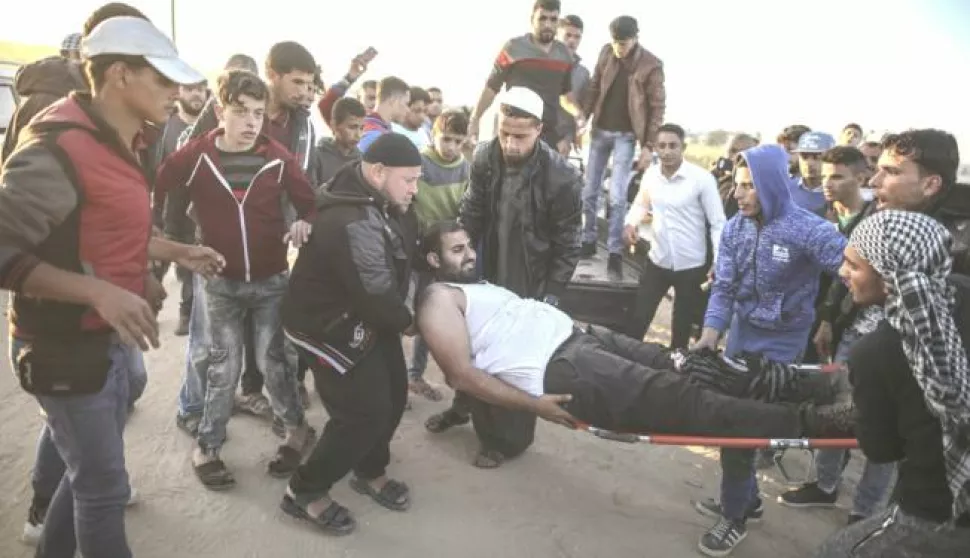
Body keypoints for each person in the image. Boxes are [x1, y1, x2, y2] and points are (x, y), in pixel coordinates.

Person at [0, 15, 223, 558]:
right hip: (64, 346)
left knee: (87, 477)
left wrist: (175, 252)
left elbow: (106, 224)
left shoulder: (127, 138)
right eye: (165, 81)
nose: (178, 93)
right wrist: (100, 292)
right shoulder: (56, 148)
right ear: (121, 75)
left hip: (107, 340)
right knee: (102, 490)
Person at [415, 221, 849, 448]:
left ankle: (816, 384)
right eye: (458, 250)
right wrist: (534, 406)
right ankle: (815, 423)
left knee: (699, 367)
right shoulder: (436, 297)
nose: (470, 254)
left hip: (583, 339)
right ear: (434, 259)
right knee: (685, 401)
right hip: (565, 368)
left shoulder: (474, 286)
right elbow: (460, 375)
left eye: (469, 245)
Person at [154, 69, 318, 489]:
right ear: (219, 110)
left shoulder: (279, 157)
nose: (250, 122)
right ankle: (207, 447)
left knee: (274, 362)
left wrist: (304, 222)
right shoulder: (196, 154)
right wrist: (162, 240)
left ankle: (297, 432)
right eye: (240, 111)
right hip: (219, 283)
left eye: (258, 113)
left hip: (271, 282)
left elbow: (310, 203)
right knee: (223, 367)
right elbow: (154, 185)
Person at [691, 144, 847, 557]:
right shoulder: (734, 229)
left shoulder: (807, 229)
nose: (738, 195)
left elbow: (851, 268)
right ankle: (744, 499)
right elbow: (723, 288)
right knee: (733, 420)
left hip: (783, 341)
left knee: (743, 427)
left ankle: (735, 517)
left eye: (749, 187)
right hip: (742, 333)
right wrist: (710, 334)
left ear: (773, 186)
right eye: (738, 186)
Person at [426, 86, 582, 469]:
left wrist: (551, 297)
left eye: (520, 136)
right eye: (505, 133)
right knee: (472, 345)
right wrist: (458, 261)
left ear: (540, 130)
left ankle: (504, 441)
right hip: (486, 268)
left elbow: (568, 244)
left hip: (531, 281)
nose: (511, 144)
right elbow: (472, 211)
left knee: (514, 359)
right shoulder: (484, 157)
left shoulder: (562, 176)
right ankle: (464, 408)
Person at [280, 133, 421, 535]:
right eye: (408, 179)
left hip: (366, 313)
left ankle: (368, 468)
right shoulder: (353, 219)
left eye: (417, 179)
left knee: (394, 393)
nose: (414, 189)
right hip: (325, 325)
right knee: (362, 412)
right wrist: (412, 320)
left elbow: (397, 258)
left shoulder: (380, 198)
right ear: (378, 172)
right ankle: (303, 491)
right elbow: (376, 293)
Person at [815, 210, 970, 557]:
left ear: (889, 277)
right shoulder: (962, 291)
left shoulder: (875, 352)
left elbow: (882, 450)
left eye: (853, 266)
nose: (842, 273)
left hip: (937, 510)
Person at [623, 123, 725, 344]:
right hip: (657, 259)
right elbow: (641, 203)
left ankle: (676, 372)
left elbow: (718, 223)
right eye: (662, 146)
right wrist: (630, 224)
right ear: (656, 149)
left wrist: (718, 259)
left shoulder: (702, 179)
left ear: (683, 147)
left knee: (681, 328)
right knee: (639, 318)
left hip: (691, 265)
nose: (667, 151)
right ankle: (626, 368)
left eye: (673, 146)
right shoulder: (650, 175)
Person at [580, 15, 666, 266]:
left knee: (617, 195)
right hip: (599, 131)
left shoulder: (651, 65)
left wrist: (650, 146)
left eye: (624, 44)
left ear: (636, 38)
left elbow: (657, 108)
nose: (619, 48)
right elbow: (595, 85)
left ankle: (615, 250)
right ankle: (588, 240)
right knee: (588, 191)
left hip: (626, 137)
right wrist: (583, 117)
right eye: (616, 43)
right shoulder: (606, 53)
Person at [408, 109, 471, 401]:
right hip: (416, 249)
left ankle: (415, 375)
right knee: (405, 312)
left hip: (444, 253)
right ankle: (397, 379)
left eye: (458, 141)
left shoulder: (464, 168)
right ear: (433, 134)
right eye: (446, 139)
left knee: (432, 313)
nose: (451, 147)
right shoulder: (419, 162)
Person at [468, 0, 584, 151]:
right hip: (515, 129)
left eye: (553, 19)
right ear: (532, 20)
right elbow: (491, 87)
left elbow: (566, 96)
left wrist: (579, 115)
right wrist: (475, 118)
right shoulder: (513, 48)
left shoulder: (564, 55)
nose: (548, 24)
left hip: (546, 132)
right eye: (542, 18)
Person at [358, 76, 411, 153]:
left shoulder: (379, 130)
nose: (408, 110)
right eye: (406, 103)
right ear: (393, 100)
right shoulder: (373, 136)